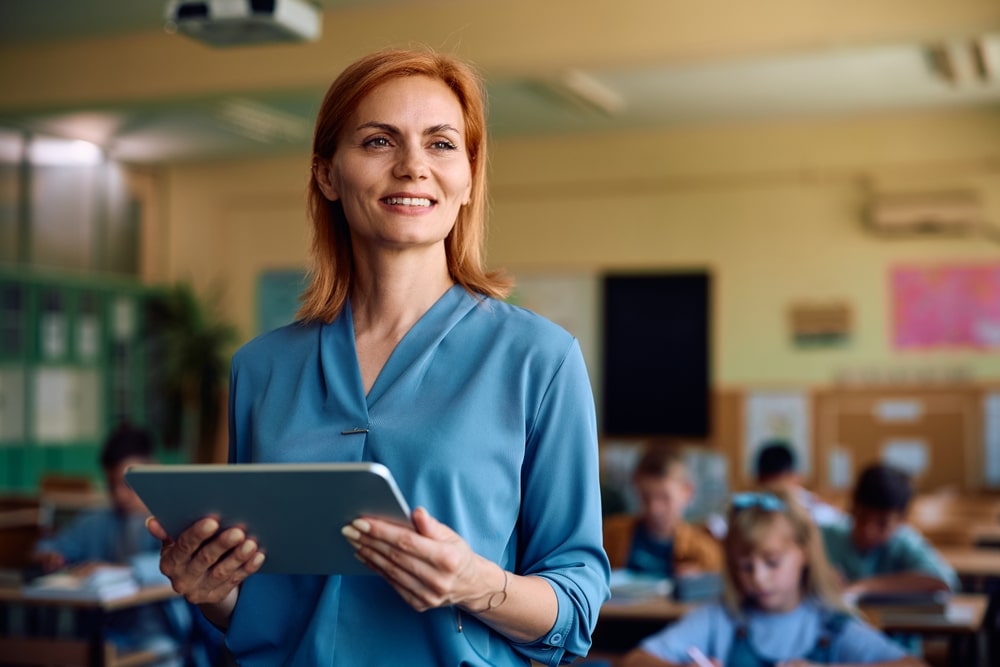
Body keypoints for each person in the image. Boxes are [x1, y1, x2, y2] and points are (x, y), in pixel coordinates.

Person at [146, 47, 610, 666]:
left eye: (442, 144)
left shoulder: (541, 360)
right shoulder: (260, 369)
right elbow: (265, 606)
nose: (413, 167)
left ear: (469, 177)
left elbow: (576, 606)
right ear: (327, 174)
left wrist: (476, 582)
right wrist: (214, 594)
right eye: (378, 142)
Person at [618, 490, 925, 667]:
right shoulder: (721, 617)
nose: (758, 578)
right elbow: (636, 660)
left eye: (772, 563)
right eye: (745, 566)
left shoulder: (830, 624)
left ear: (804, 554)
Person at [32, 424, 213, 666]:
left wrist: (123, 570)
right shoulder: (97, 521)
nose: (120, 495)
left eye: (128, 484)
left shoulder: (174, 521)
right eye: (111, 485)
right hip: (107, 635)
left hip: (161, 637)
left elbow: (186, 561)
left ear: (154, 470)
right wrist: (51, 555)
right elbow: (50, 546)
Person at [820, 464, 959, 598]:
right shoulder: (827, 537)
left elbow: (943, 581)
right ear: (852, 506)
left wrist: (864, 586)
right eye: (862, 517)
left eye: (882, 524)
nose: (868, 530)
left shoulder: (904, 541)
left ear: (901, 520)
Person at [603, 446, 722, 577]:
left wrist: (699, 582)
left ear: (687, 492)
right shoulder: (610, 535)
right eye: (645, 497)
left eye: (664, 498)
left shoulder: (705, 552)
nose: (654, 509)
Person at [755, 440, 844, 528]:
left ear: (794, 477)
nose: (775, 490)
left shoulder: (814, 508)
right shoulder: (752, 508)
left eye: (779, 482)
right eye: (770, 484)